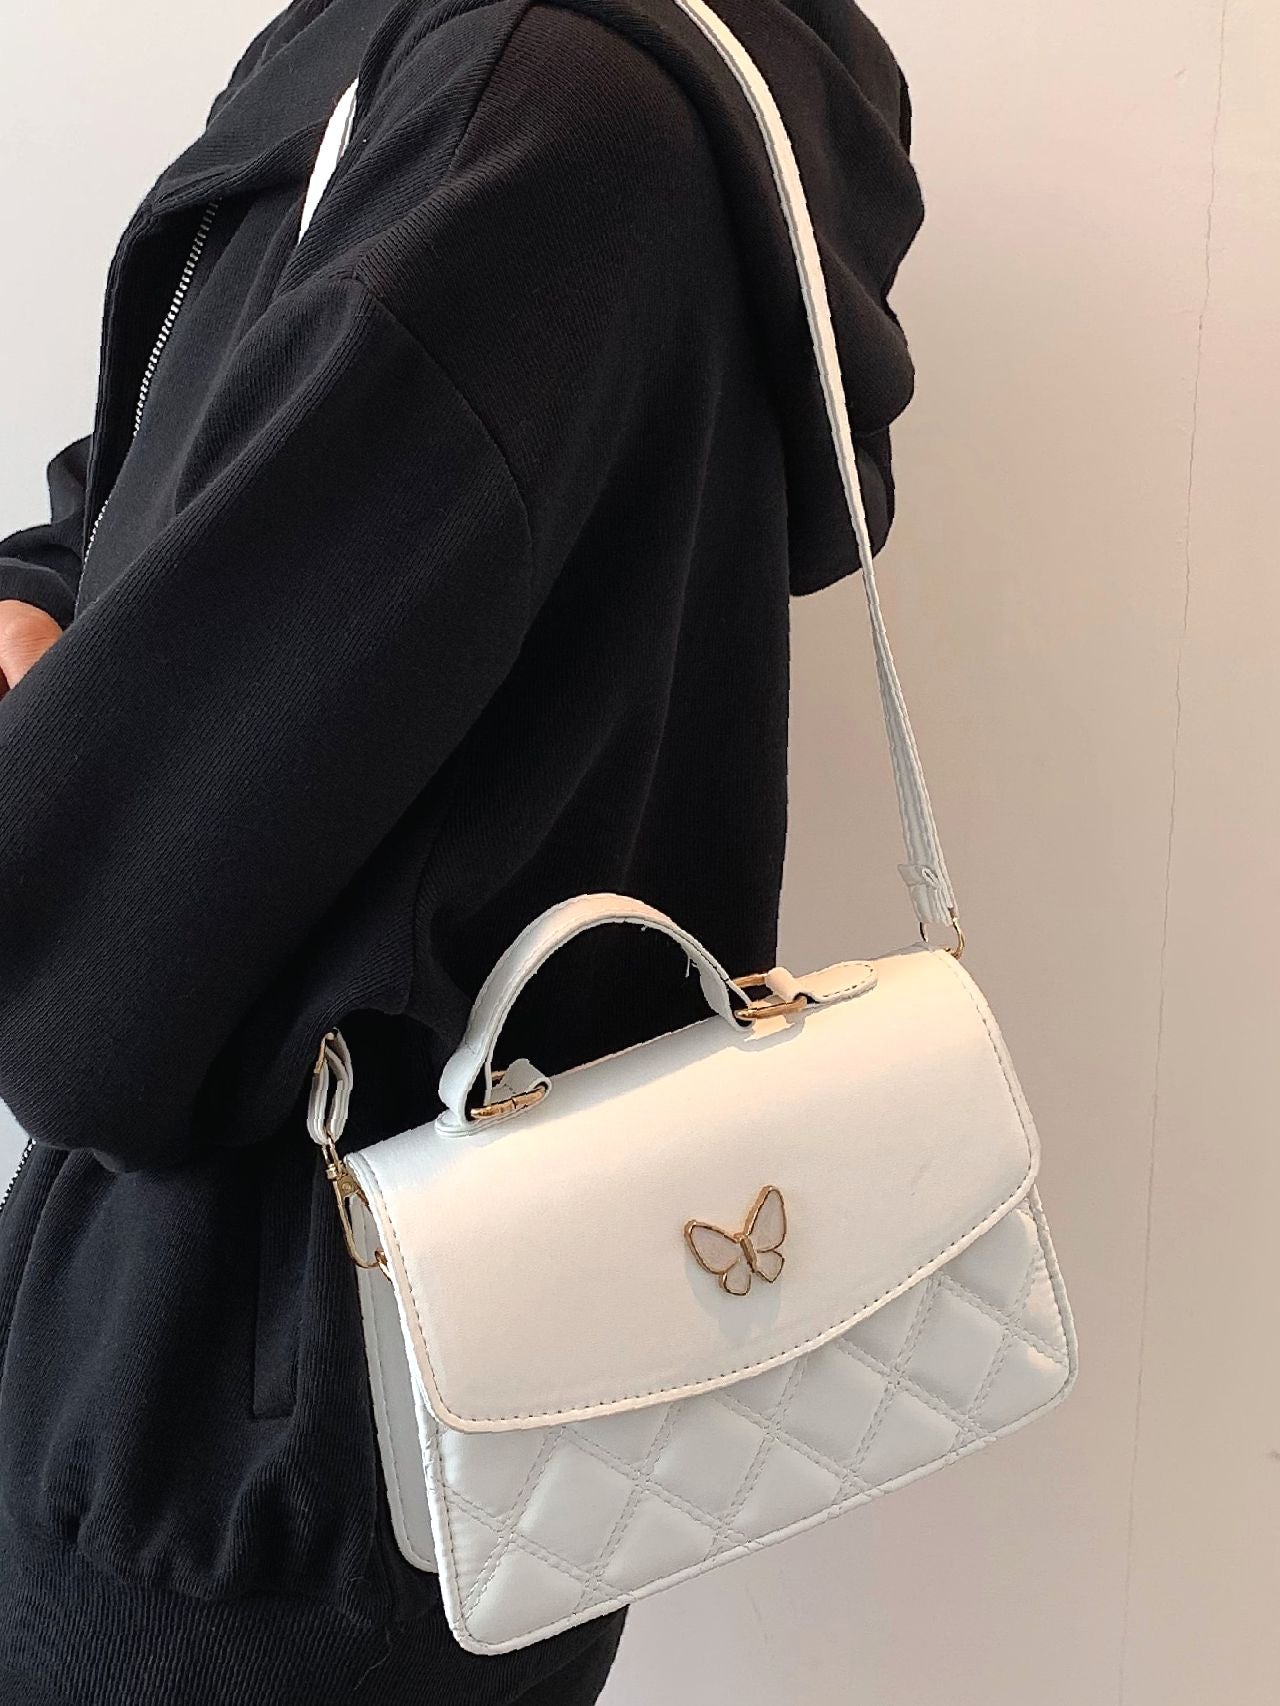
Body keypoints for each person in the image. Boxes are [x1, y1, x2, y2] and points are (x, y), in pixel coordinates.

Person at [0, 0, 924, 1700]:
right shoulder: (477, 76)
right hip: (449, 1397)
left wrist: (74, 767)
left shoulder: (522, 120)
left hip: (252, 1468)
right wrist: (50, 590)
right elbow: (173, 462)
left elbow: (78, 990)